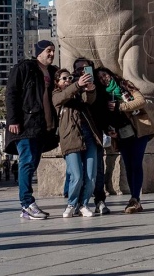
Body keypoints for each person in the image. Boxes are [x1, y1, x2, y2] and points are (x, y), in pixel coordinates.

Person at [5, 40, 59, 220]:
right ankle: (27, 203)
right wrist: (13, 120)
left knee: (32, 163)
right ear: (38, 52)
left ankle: (25, 208)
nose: (51, 54)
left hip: (43, 127)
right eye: (48, 51)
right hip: (25, 124)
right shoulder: (25, 68)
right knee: (27, 162)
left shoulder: (52, 72)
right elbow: (11, 93)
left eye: (53, 50)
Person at [95, 67, 154, 214]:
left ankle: (135, 198)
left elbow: (141, 101)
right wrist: (108, 130)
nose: (104, 78)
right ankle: (134, 198)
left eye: (104, 75)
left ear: (110, 74)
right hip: (120, 134)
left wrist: (120, 106)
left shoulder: (124, 85)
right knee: (129, 166)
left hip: (138, 130)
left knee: (136, 163)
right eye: (100, 78)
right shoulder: (102, 94)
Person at [54, 68, 98, 217]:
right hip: (70, 138)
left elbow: (89, 100)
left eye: (70, 78)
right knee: (77, 175)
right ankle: (71, 204)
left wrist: (90, 90)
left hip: (88, 137)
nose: (68, 81)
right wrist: (77, 85)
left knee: (91, 176)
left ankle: (83, 204)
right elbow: (62, 97)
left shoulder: (78, 94)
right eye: (64, 79)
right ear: (57, 82)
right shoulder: (56, 95)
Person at [72, 57, 110, 215]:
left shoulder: (98, 86)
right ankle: (77, 203)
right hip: (75, 133)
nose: (83, 71)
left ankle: (99, 200)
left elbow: (103, 108)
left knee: (97, 169)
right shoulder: (72, 85)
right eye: (79, 69)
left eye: (86, 69)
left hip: (95, 131)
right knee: (76, 171)